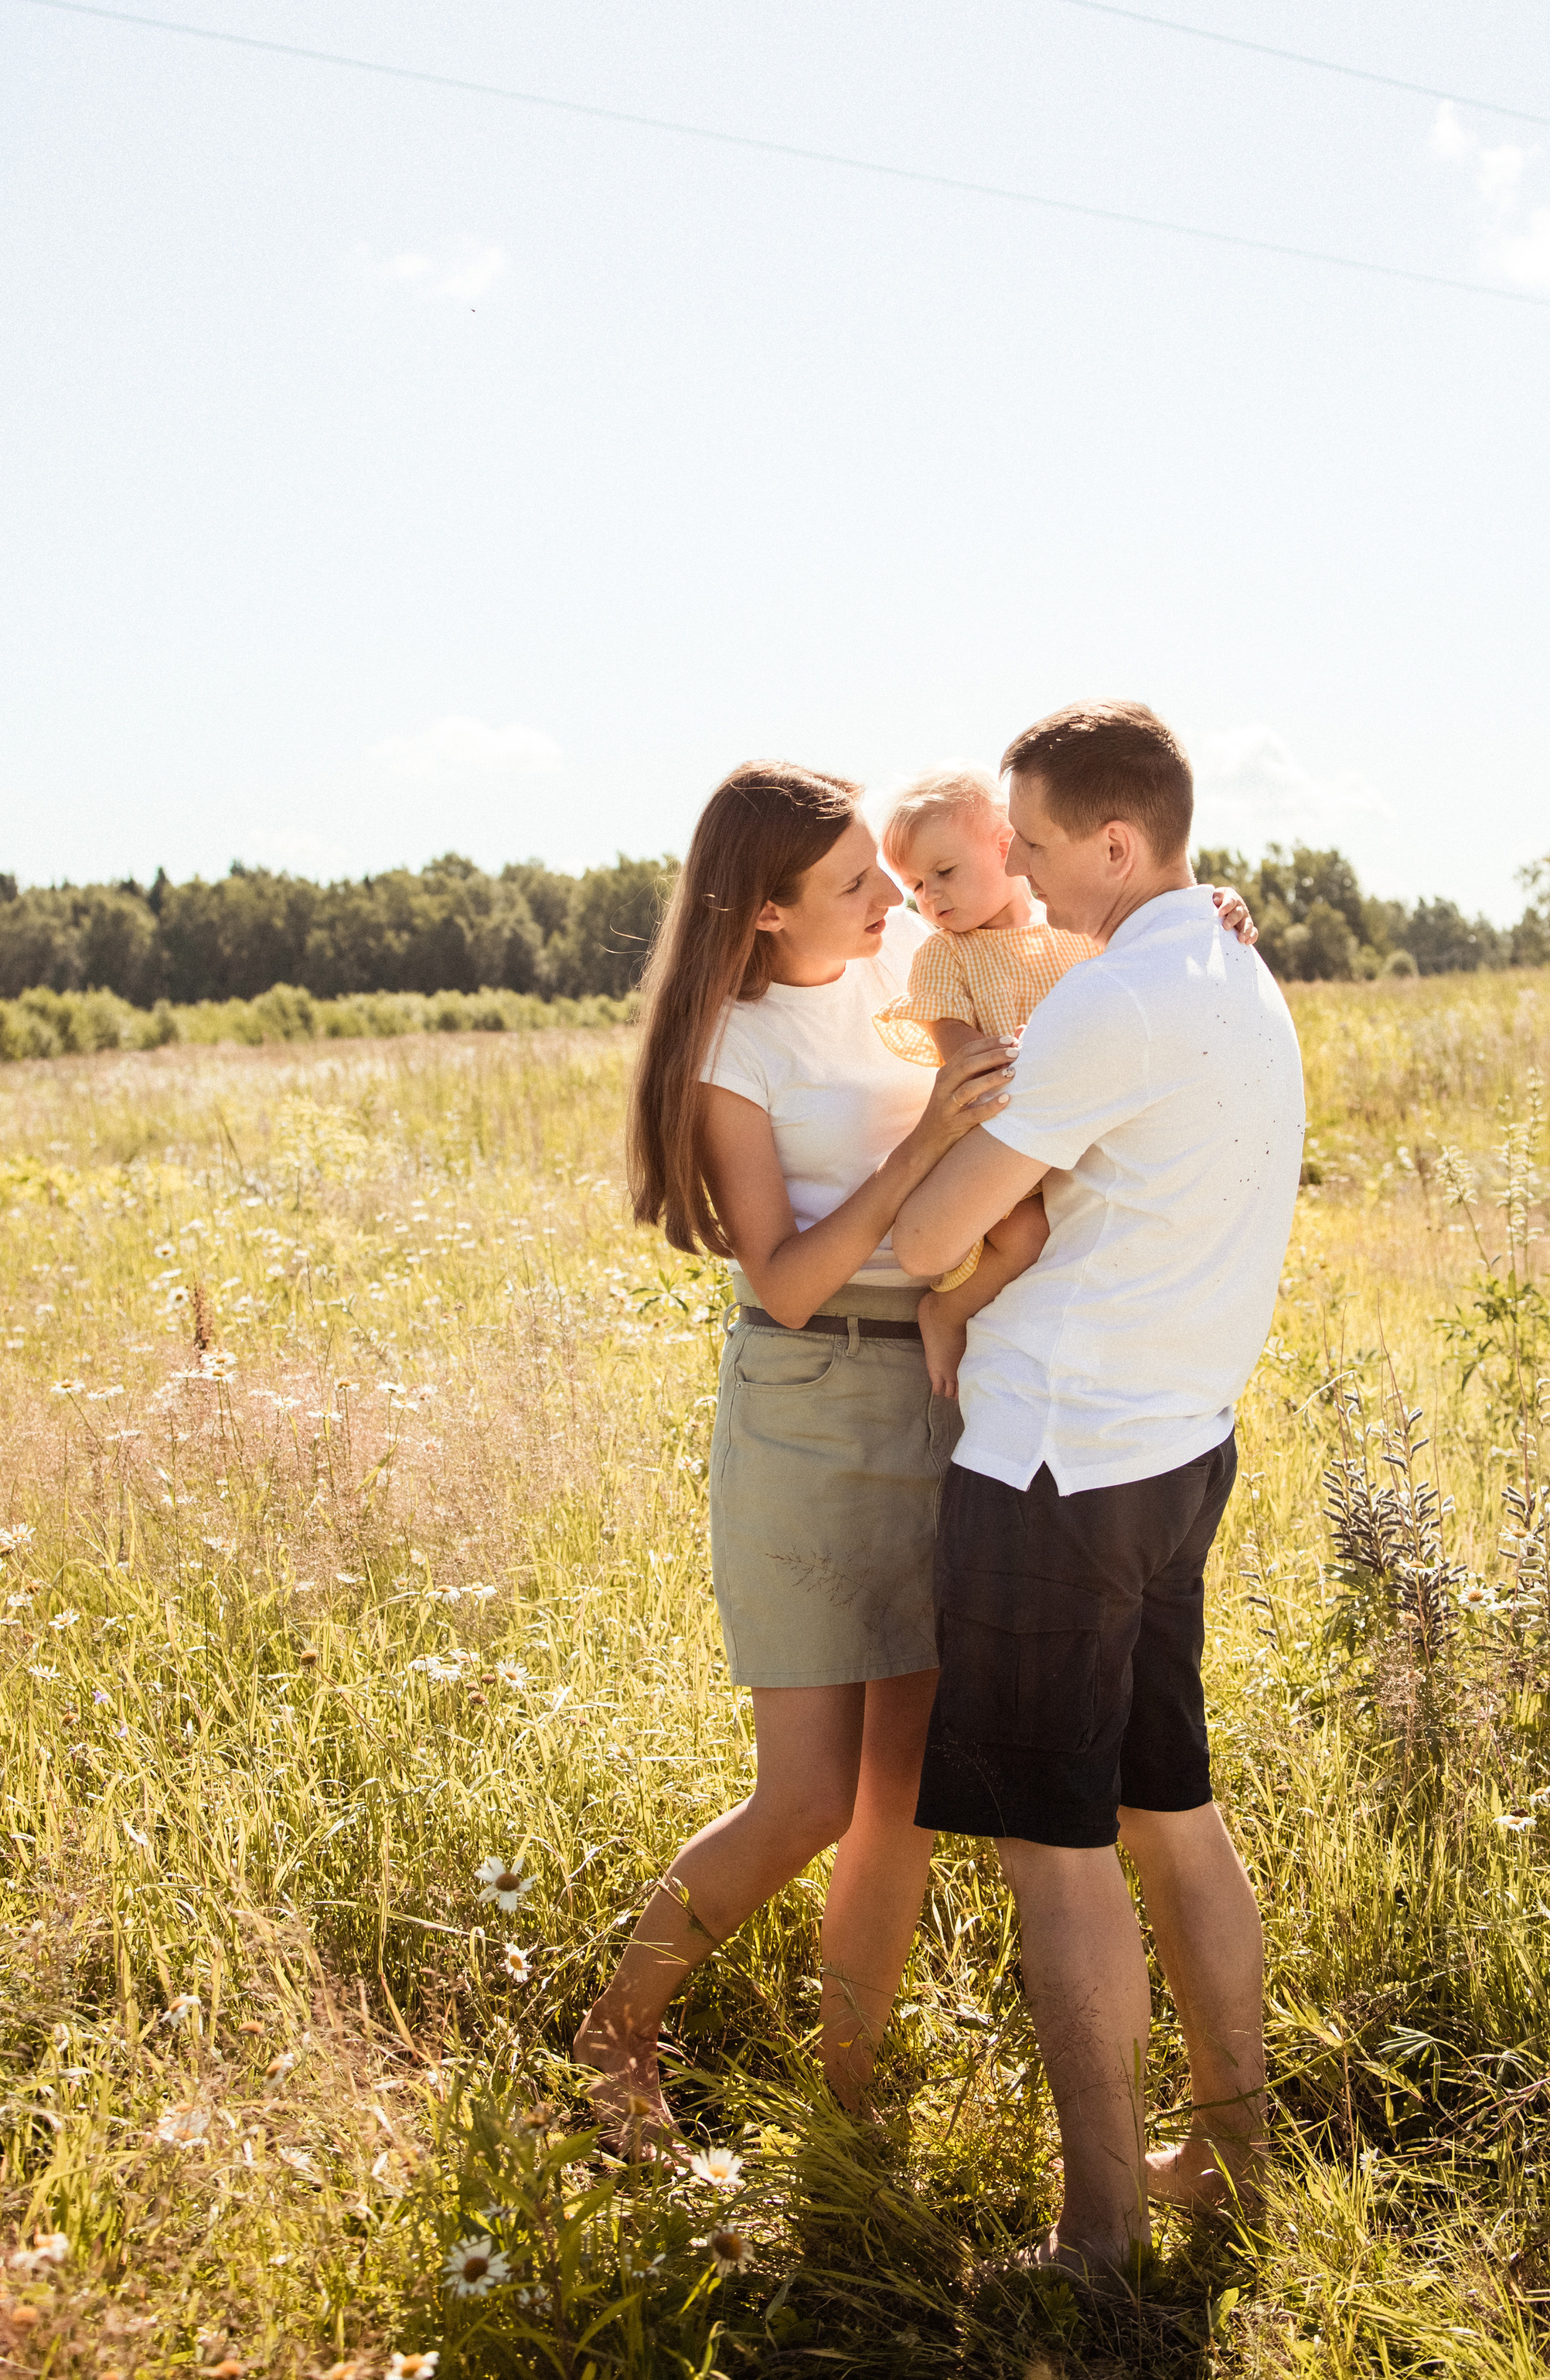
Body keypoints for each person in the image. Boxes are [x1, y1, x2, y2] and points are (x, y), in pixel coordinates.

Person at [893, 699, 1306, 2283]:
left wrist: (934, 1157)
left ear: (1117, 845)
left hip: (1051, 1465)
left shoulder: (1104, 1005)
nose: (1024, 877)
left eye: (1042, 849)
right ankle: (1231, 2158)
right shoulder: (1230, 967)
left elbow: (938, 1241)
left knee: (1051, 1847)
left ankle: (1099, 2233)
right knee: (1169, 1811)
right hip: (1174, 1445)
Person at [572, 760, 1018, 2136]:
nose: (888, 893)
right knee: (811, 1795)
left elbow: (1057, 947)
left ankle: (851, 2100)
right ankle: (612, 2035)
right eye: (849, 884)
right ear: (765, 913)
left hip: (943, 1393)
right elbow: (784, 1279)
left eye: (884, 873)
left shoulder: (911, 974)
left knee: (903, 1797)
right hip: (811, 1404)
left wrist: (1207, 917)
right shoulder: (735, 1047)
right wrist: (923, 1146)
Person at [874, 765, 1099, 1401]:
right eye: (915, 884)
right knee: (1028, 1234)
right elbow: (967, 1065)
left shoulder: (1073, 931)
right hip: (990, 1140)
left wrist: (1218, 903)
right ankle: (946, 1311)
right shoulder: (947, 955)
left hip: (1065, 1130)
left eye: (944, 872)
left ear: (1006, 847)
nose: (930, 898)